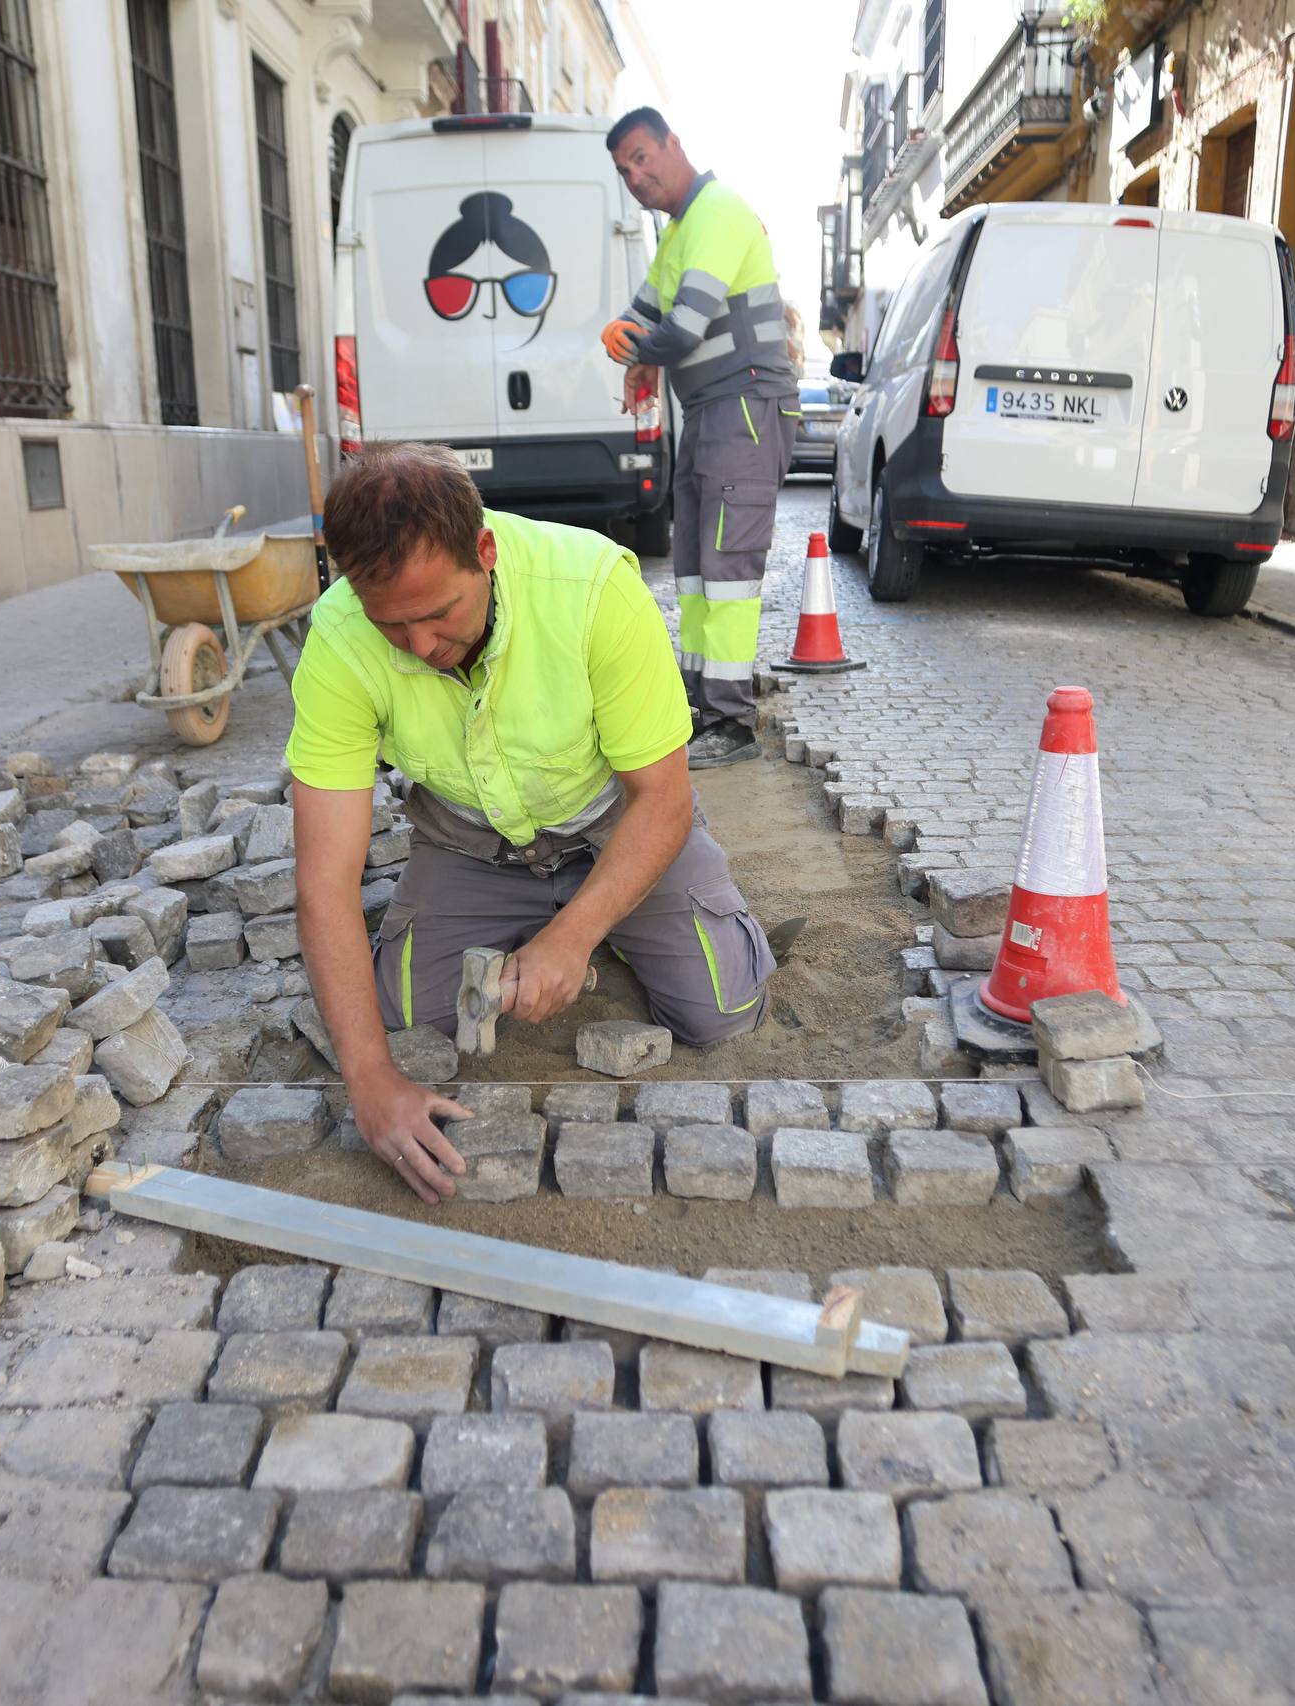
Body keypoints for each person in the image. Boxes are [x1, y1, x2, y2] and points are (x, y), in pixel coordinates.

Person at [286, 443, 783, 1203]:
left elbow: (663, 800)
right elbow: (324, 881)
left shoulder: (593, 591)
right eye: (393, 625)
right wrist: (371, 1081)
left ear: (484, 552)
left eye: (439, 614)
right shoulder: (338, 638)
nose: (421, 647)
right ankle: (561, 923)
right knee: (405, 1017)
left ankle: (614, 921)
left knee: (721, 1011)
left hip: (615, 824)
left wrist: (572, 938)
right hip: (470, 842)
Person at [602, 106, 797, 771]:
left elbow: (680, 327)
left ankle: (731, 722)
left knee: (728, 571)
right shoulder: (679, 233)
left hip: (746, 406)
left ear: (672, 144)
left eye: (641, 157)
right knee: (694, 570)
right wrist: (632, 343)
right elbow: (643, 313)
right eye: (624, 169)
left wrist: (635, 352)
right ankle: (698, 705)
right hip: (711, 411)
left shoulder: (717, 212)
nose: (635, 176)